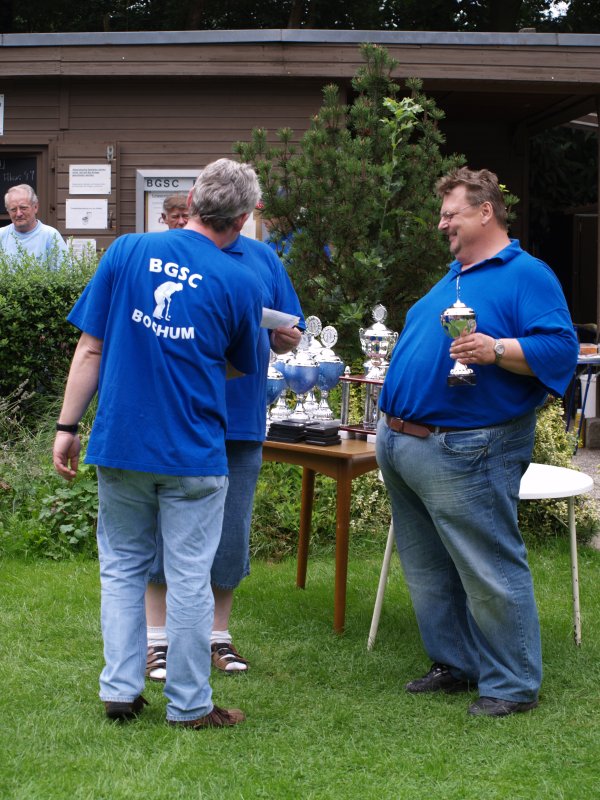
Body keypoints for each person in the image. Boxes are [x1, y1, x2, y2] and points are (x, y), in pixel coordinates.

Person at [52, 158, 264, 728]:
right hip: (193, 450)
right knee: (190, 576)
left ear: (192, 199)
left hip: (121, 443)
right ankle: (190, 705)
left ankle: (120, 691)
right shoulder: (241, 282)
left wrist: (67, 427)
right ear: (242, 219)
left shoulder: (126, 251)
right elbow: (239, 366)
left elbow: (90, 348)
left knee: (122, 566)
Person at [375, 167, 578, 718]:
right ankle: (456, 663)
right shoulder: (456, 277)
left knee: (489, 567)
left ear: (485, 211)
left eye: (451, 214)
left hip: (468, 447)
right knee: (427, 567)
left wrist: (497, 349)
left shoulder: (526, 274)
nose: (442, 224)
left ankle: (512, 682)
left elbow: (561, 349)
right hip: (405, 442)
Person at [145, 210, 304, 680]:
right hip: (180, 414)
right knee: (163, 527)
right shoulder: (171, 256)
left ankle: (217, 635)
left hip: (240, 418)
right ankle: (157, 640)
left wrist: (285, 338)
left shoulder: (262, 259)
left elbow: (286, 337)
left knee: (231, 531)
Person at [1, 184, 68, 266]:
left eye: (23, 208)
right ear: (8, 211)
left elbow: (64, 271)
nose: (18, 214)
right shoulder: (1, 235)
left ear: (35, 207)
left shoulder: (50, 236)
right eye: (13, 209)